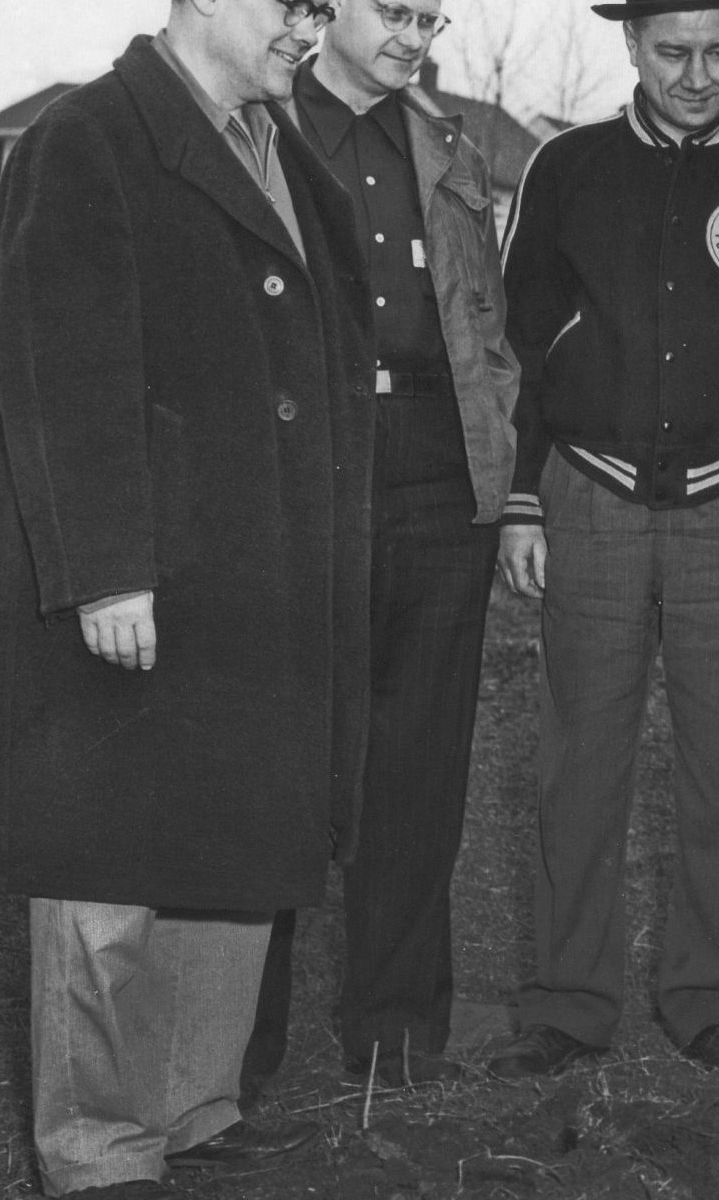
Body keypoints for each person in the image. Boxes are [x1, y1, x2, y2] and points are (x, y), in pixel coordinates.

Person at [0, 0, 374, 1194]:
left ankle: (197, 1106)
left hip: (259, 570)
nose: (314, 28)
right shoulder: (86, 137)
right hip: (132, 578)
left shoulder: (288, 149)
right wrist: (106, 568)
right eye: (296, 4)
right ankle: (98, 1148)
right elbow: (63, 368)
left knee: (233, 840)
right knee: (107, 868)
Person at [490, 0, 719, 1078]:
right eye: (672, 53)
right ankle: (567, 997)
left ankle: (713, 993)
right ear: (630, 46)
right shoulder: (566, 167)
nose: (698, 75)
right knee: (577, 760)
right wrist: (521, 497)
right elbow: (515, 348)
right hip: (587, 497)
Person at [241, 0, 520, 1094]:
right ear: (322, 14)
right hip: (310, 470)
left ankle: (397, 1035)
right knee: (282, 760)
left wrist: (496, 446)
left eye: (430, 14)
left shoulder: (448, 143)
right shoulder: (257, 127)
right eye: (393, 10)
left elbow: (484, 314)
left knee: (419, 761)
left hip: (438, 472)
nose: (415, 32)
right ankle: (238, 1054)